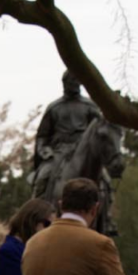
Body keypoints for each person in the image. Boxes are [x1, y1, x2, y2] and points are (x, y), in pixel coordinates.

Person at [32, 71, 101, 202]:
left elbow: (100, 131)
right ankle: (37, 211)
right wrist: (44, 150)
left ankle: (106, 217)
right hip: (58, 152)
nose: (73, 83)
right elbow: (42, 135)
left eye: (75, 80)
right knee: (43, 176)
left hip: (84, 151)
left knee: (105, 180)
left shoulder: (90, 106)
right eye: (70, 81)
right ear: (64, 83)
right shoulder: (54, 107)